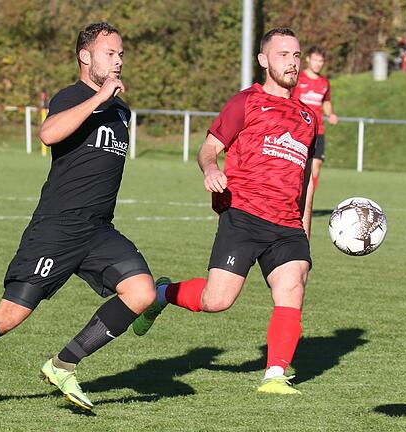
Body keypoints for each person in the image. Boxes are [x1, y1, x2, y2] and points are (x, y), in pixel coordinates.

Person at [0, 22, 156, 413]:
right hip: (56, 227)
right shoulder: (72, 97)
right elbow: (49, 134)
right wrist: (98, 99)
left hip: (97, 230)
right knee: (10, 315)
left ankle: (64, 364)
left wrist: (109, 100)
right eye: (109, 54)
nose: (118, 61)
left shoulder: (121, 111)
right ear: (85, 56)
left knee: (142, 292)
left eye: (121, 54)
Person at [132, 27, 317, 395]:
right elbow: (208, 148)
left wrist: (305, 234)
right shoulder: (245, 102)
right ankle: (161, 294)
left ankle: (275, 375)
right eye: (283, 55)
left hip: (287, 224)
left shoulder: (309, 118)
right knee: (217, 301)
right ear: (264, 60)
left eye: (296, 56)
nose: (292, 62)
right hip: (244, 214)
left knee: (292, 287)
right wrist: (212, 169)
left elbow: (306, 181)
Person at [291, 45, 337, 192]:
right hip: (298, 130)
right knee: (295, 167)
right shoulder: (297, 78)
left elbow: (326, 102)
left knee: (316, 167)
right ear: (308, 59)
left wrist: (331, 114)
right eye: (315, 60)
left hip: (318, 131)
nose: (318, 64)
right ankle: (292, 199)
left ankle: (306, 201)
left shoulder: (324, 82)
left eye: (321, 61)